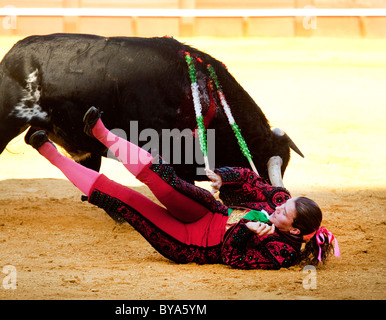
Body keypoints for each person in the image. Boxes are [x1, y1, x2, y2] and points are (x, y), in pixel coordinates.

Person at [25, 107, 339, 269]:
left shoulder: (282, 253)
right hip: (210, 212)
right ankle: (104, 134)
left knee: (124, 200)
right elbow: (249, 179)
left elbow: (231, 258)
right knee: (164, 176)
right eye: (285, 203)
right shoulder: (280, 201)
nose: (279, 207)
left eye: (285, 212)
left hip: (189, 244)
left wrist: (248, 231)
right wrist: (223, 177)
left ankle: (50, 154)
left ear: (295, 231)